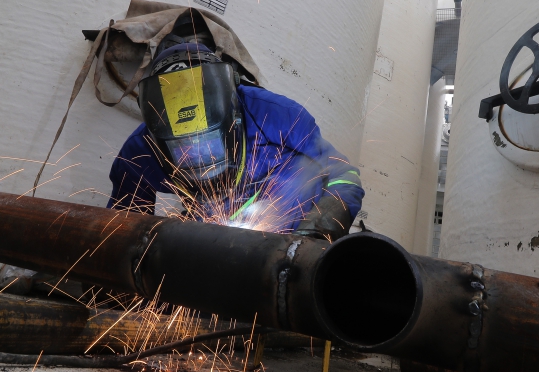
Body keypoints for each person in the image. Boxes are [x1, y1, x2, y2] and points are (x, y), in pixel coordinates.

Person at [107, 13, 364, 238]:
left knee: (298, 181)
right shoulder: (140, 151)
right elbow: (121, 230)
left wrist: (318, 231)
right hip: (211, 221)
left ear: (232, 119)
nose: (199, 156)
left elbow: (344, 176)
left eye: (208, 143)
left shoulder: (278, 117)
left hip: (286, 218)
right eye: (183, 149)